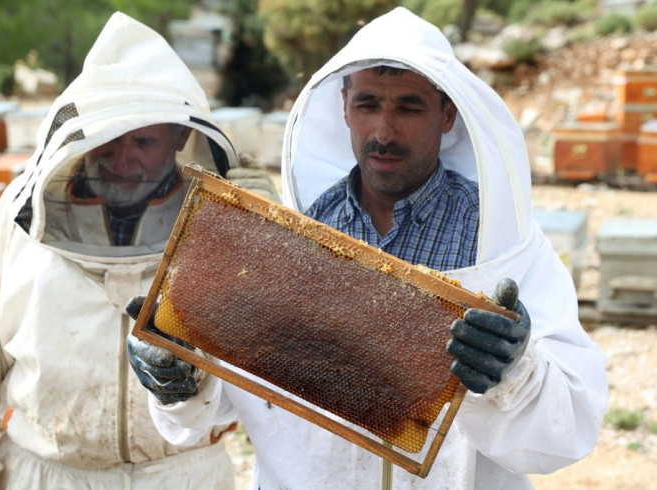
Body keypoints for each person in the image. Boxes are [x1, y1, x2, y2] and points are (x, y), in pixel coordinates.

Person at [126, 7, 609, 489]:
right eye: (368, 104)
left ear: (447, 115)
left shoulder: (500, 243)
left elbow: (566, 432)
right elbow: (225, 403)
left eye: (408, 107)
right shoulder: (295, 232)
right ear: (343, 107)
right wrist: (181, 379)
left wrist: (516, 372)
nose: (383, 132)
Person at [0, 12, 281, 490]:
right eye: (108, 137)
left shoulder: (221, 222)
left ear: (181, 137)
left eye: (144, 141)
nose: (121, 160)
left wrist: (273, 242)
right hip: (47, 474)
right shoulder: (24, 212)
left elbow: (279, 373)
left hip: (183, 475)